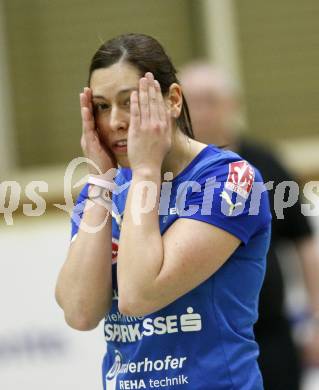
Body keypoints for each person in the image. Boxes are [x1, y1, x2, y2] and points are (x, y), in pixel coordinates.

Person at [55, 34, 271, 390]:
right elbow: (79, 312)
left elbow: (139, 295)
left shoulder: (230, 179)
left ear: (172, 100)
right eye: (102, 106)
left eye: (130, 102)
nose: (115, 122)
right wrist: (102, 184)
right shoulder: (103, 190)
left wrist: (144, 172)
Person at [179, 62, 319, 390]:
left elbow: (305, 244)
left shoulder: (265, 164)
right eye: (192, 101)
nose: (201, 111)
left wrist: (315, 321)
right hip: (196, 340)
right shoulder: (166, 173)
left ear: (233, 104)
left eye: (210, 100)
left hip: (267, 336)